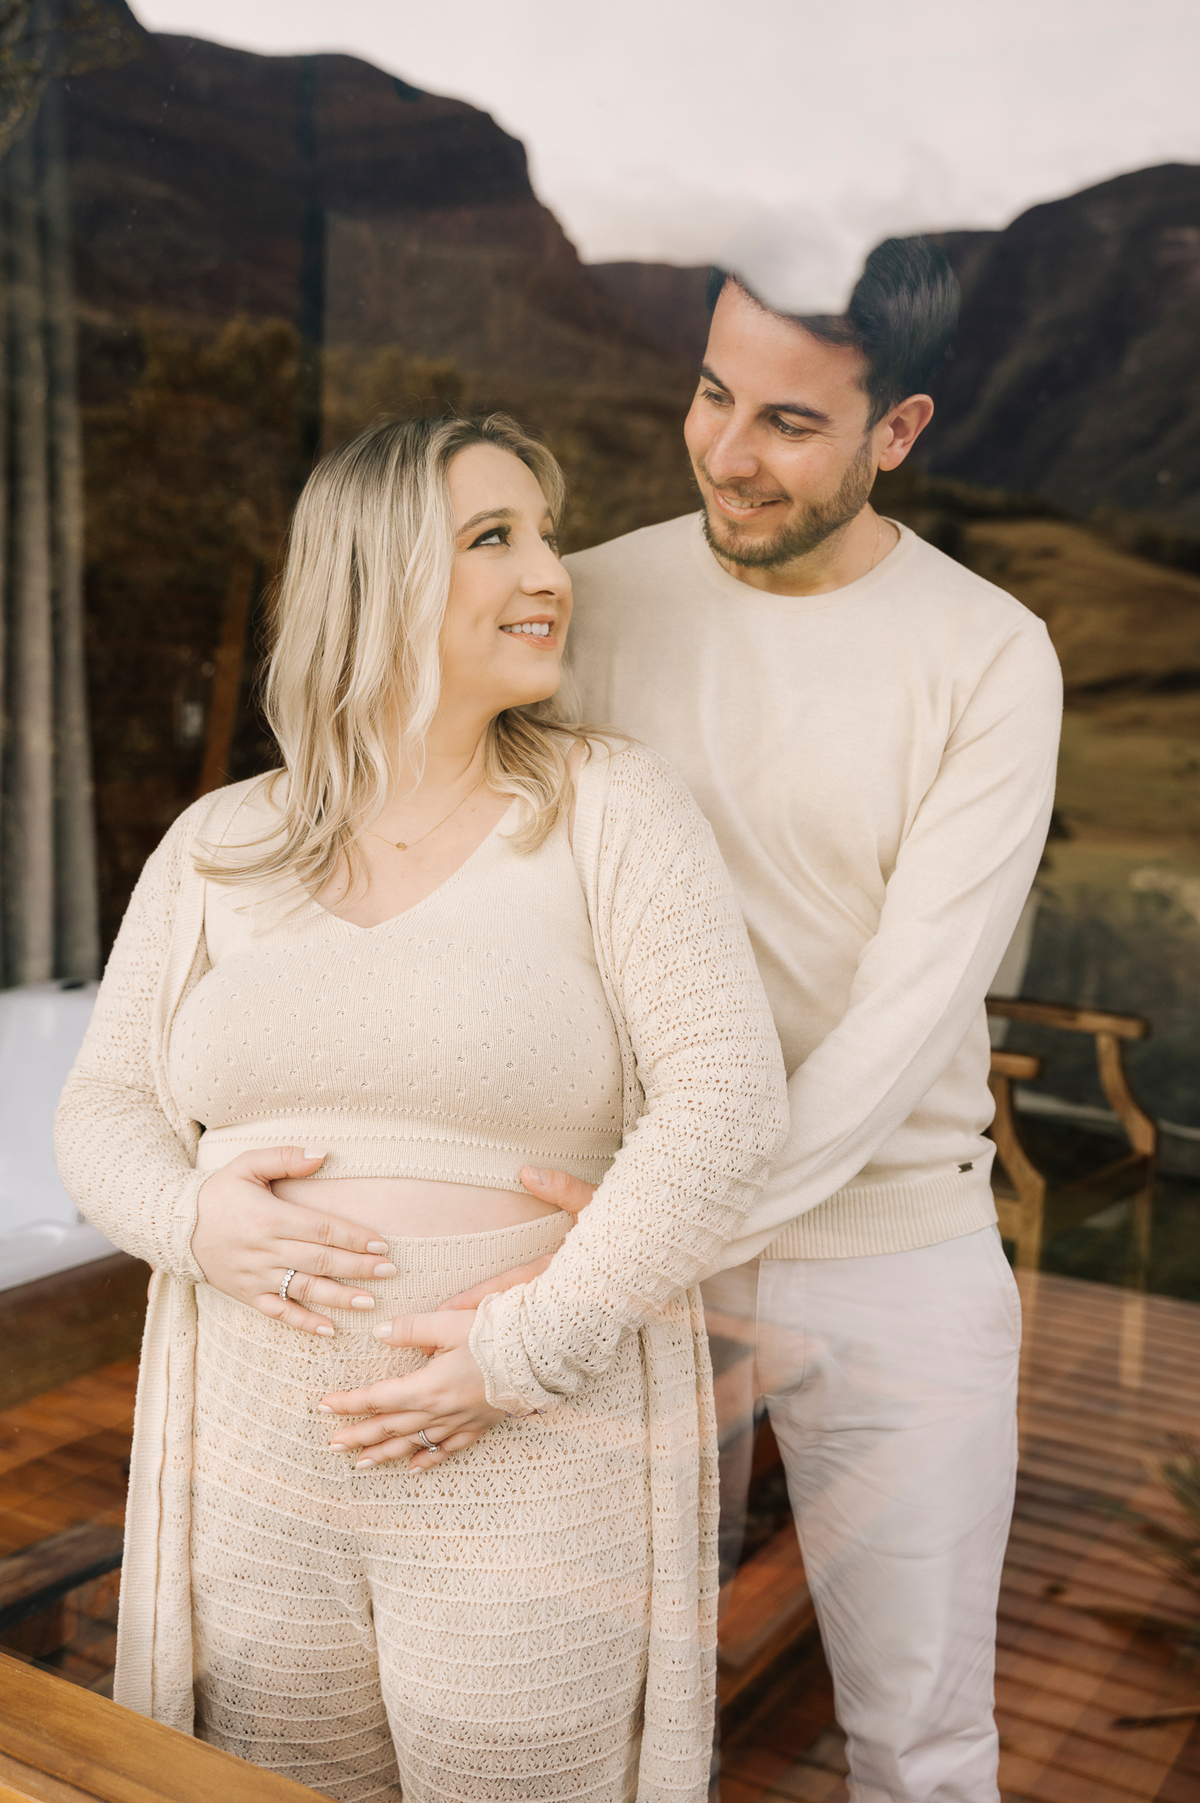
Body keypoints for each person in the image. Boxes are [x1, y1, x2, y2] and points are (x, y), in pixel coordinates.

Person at [55, 413, 788, 1803]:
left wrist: (526, 1353)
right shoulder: (220, 843)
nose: (551, 571)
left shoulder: (610, 807)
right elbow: (105, 1109)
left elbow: (726, 1106)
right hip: (259, 1456)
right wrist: (193, 1220)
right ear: (377, 576)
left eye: (548, 536)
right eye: (494, 537)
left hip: (529, 1446)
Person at [445, 241, 1064, 1803]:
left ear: (897, 432)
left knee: (922, 1743)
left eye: (790, 422)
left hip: (888, 1250)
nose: (727, 451)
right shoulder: (588, 602)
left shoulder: (990, 654)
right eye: (714, 395)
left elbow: (910, 1019)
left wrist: (659, 1225)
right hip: (606, 1229)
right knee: (597, 1713)